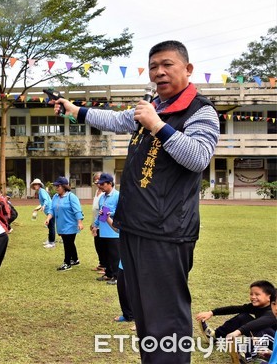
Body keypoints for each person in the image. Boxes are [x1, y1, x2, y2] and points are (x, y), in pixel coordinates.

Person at [53, 40, 220, 363]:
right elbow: (116, 121)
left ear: (187, 69)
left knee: (166, 317)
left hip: (166, 232)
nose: (159, 72)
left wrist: (157, 126)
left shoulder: (200, 111)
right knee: (145, 315)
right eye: (153, 66)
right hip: (135, 227)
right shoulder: (154, 106)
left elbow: (199, 158)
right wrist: (76, 110)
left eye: (167, 64)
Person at [195, 280, 277, 344]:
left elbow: (261, 322)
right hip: (266, 340)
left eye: (257, 294)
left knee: (263, 330)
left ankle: (254, 354)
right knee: (243, 317)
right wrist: (212, 312)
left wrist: (238, 332)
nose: (253, 297)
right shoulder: (257, 306)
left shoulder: (273, 310)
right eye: (251, 294)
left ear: (269, 297)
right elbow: (236, 308)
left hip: (273, 341)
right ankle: (214, 336)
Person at [45, 176, 84, 271]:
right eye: (56, 186)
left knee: (67, 243)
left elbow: (77, 210)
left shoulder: (71, 197)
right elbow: (52, 209)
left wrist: (80, 222)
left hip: (70, 225)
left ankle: (67, 263)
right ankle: (75, 259)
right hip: (61, 225)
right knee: (70, 243)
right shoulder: (55, 197)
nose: (56, 188)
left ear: (64, 186)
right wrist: (48, 218)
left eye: (58, 186)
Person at [93, 173, 120, 284]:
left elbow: (121, 212)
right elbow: (99, 214)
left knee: (114, 255)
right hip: (103, 230)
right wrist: (95, 225)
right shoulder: (102, 197)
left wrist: (110, 213)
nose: (100, 186)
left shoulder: (118, 196)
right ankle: (108, 274)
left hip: (113, 232)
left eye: (103, 184)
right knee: (106, 255)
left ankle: (117, 276)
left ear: (110, 183)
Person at [31, 178, 55, 249]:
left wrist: (44, 206)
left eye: (36, 184)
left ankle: (52, 242)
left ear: (39, 185)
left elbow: (46, 200)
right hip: (49, 211)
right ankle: (50, 240)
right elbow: (43, 202)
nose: (35, 186)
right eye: (34, 184)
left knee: (51, 226)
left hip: (51, 210)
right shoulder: (40, 191)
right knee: (49, 226)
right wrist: (38, 208)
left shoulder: (42, 192)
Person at [90, 172, 105, 273]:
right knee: (97, 245)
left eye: (99, 179)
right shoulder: (96, 192)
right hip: (96, 223)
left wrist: (98, 225)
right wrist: (93, 224)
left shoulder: (105, 193)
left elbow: (104, 211)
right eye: (95, 180)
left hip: (103, 224)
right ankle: (101, 263)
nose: (97, 182)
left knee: (104, 246)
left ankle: (106, 266)